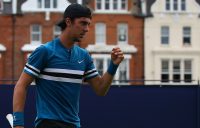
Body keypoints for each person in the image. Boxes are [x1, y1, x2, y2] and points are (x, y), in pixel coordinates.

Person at [13, 3, 124, 128]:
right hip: (48, 124)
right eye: (83, 23)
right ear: (68, 22)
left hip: (73, 124)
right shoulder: (44, 51)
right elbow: (21, 85)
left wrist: (113, 66)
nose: (87, 29)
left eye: (88, 24)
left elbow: (100, 89)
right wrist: (18, 124)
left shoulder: (84, 56)